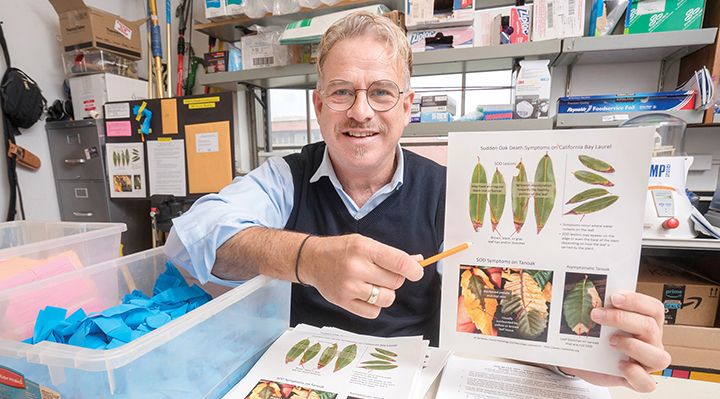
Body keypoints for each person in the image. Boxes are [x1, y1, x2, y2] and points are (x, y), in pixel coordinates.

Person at [165, 11, 670, 393]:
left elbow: (499, 315)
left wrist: (576, 355)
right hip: (300, 378)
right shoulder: (284, 178)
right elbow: (188, 239)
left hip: (415, 384)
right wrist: (307, 259)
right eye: (341, 92)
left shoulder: (454, 195)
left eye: (381, 93)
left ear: (407, 108)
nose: (361, 112)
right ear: (319, 106)